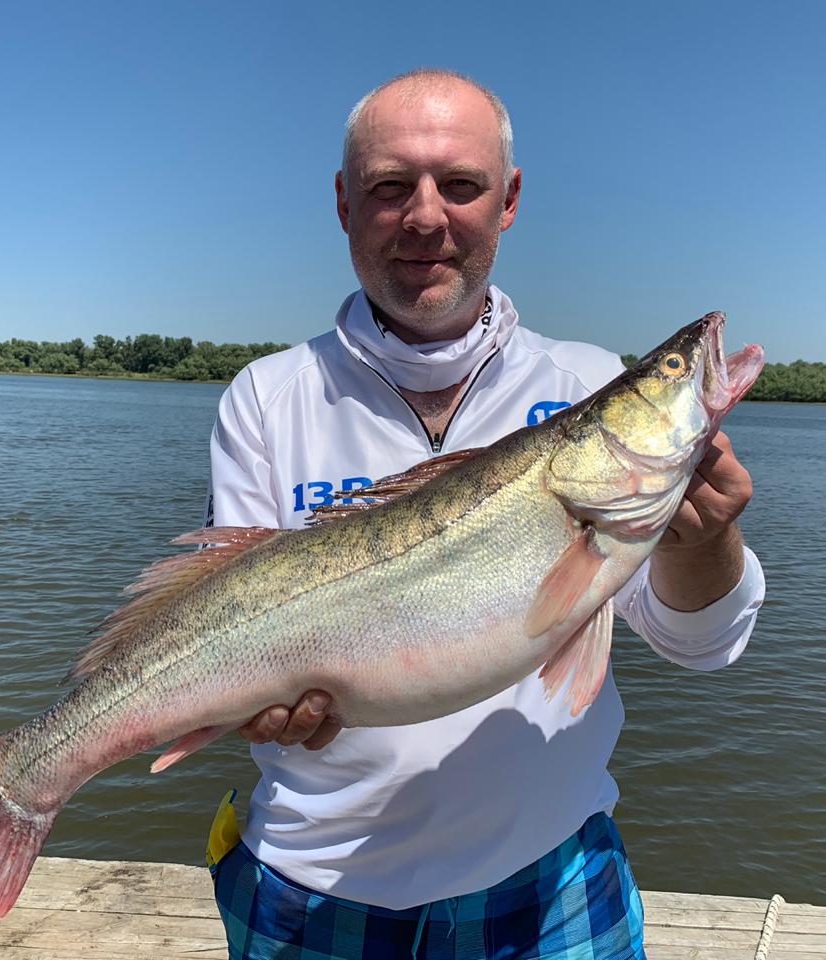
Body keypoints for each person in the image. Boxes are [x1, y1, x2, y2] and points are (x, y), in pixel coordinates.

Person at [205, 68, 764, 960]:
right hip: (309, 890)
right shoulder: (266, 398)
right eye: (391, 187)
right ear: (344, 204)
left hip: (556, 887)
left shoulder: (582, 382)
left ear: (508, 202)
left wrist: (708, 537)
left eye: (459, 184)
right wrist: (251, 703)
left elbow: (703, 646)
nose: (426, 216)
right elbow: (223, 610)